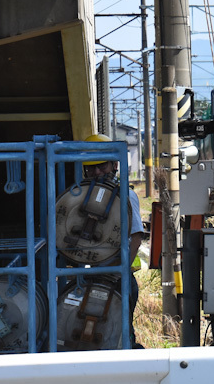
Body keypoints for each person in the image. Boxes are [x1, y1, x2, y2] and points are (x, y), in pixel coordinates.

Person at [83, 133, 145, 348]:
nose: (97, 172)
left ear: (114, 165)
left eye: (102, 166)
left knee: (119, 333)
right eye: (91, 168)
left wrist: (120, 273)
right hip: (91, 277)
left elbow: (136, 237)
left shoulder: (125, 196)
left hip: (118, 280)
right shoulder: (80, 197)